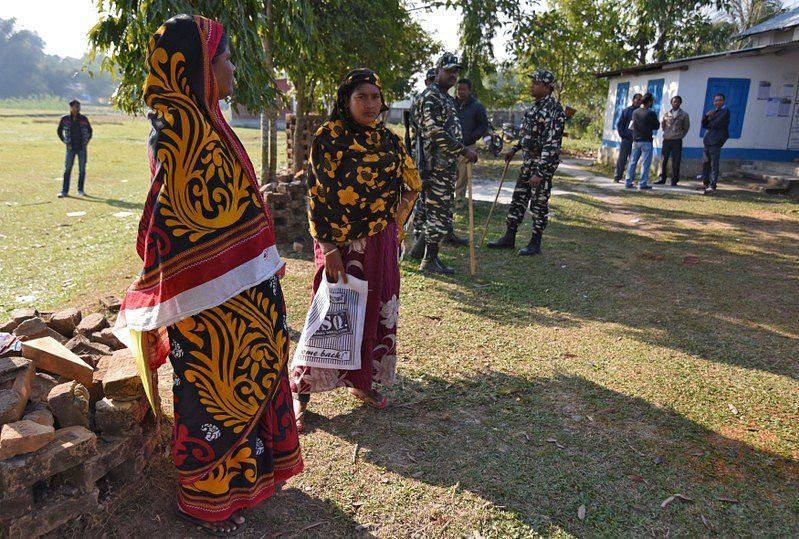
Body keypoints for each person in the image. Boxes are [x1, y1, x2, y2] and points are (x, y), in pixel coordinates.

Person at [113, 15, 302, 535]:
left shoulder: (212, 124)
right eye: (224, 58)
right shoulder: (177, 136)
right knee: (214, 391)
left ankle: (243, 485)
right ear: (198, 69)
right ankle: (204, 498)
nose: (233, 66)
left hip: (244, 288)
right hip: (207, 301)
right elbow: (169, 222)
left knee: (250, 381)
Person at [291, 68, 421, 428]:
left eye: (375, 97)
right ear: (346, 101)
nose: (370, 104)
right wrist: (329, 245)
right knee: (329, 311)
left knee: (374, 307)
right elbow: (316, 194)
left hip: (379, 242)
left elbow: (412, 183)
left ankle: (362, 383)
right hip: (339, 243)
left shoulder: (389, 141)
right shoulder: (330, 137)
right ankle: (302, 391)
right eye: (361, 97)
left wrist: (395, 223)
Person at [409, 53, 478, 273]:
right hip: (433, 165)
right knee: (437, 213)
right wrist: (463, 150)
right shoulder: (432, 96)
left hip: (444, 165)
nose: (453, 75)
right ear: (438, 70)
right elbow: (435, 133)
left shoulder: (445, 97)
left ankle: (420, 251)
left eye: (456, 71)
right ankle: (429, 261)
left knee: (440, 212)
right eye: (449, 71)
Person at [487, 69, 566, 256]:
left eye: (536, 83)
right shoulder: (535, 107)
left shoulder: (554, 111)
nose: (532, 86)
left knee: (539, 204)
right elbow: (527, 135)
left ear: (547, 87)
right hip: (528, 160)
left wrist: (540, 172)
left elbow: (552, 144)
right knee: (518, 199)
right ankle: (509, 237)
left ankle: (535, 242)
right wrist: (515, 149)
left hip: (541, 164)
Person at [408, 68, 437, 260]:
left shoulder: (434, 99)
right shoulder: (424, 100)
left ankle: (421, 238)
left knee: (427, 200)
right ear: (426, 82)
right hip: (423, 157)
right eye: (432, 80)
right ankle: (419, 237)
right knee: (422, 198)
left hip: (429, 156)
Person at [454, 78, 488, 211]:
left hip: (467, 147)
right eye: (458, 89)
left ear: (469, 91)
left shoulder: (477, 106)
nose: (461, 92)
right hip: (451, 145)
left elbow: (482, 125)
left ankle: (459, 200)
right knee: (450, 173)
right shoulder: (450, 104)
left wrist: (472, 136)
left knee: (462, 175)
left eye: (464, 90)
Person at [57, 99, 92, 197]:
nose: (78, 109)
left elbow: (90, 131)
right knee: (67, 169)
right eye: (76, 107)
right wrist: (65, 141)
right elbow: (59, 131)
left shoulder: (84, 119)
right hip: (70, 148)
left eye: (79, 107)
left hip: (81, 147)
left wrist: (85, 142)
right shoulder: (65, 119)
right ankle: (64, 191)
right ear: (71, 107)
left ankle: (80, 190)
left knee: (82, 169)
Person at [625, 92, 659, 190]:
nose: (652, 103)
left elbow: (633, 124)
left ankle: (628, 181)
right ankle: (642, 183)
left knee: (632, 161)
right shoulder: (651, 113)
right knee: (645, 163)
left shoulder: (635, 112)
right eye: (651, 101)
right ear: (648, 102)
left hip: (636, 140)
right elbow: (656, 126)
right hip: (646, 141)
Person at [657, 95, 690, 185]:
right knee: (664, 159)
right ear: (671, 103)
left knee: (676, 160)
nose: (675, 103)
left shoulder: (684, 114)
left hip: (677, 140)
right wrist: (666, 133)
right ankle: (662, 178)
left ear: (680, 103)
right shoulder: (667, 114)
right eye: (674, 102)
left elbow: (686, 127)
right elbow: (663, 125)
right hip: (667, 139)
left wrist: (681, 135)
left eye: (677, 102)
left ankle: (674, 179)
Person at [701, 93, 730, 194]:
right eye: (716, 100)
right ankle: (705, 183)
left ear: (723, 101)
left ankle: (713, 185)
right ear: (714, 102)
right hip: (707, 140)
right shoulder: (713, 111)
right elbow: (704, 124)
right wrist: (706, 116)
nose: (718, 102)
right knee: (705, 163)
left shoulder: (725, 112)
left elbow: (716, 124)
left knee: (714, 164)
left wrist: (710, 119)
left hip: (716, 141)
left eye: (720, 100)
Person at [614, 93, 642, 183]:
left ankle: (630, 178)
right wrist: (623, 135)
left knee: (633, 160)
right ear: (633, 100)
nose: (639, 101)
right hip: (626, 139)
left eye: (640, 100)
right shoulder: (627, 111)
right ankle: (617, 176)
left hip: (636, 140)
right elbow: (620, 124)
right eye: (637, 99)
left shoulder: (642, 112)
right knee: (622, 158)